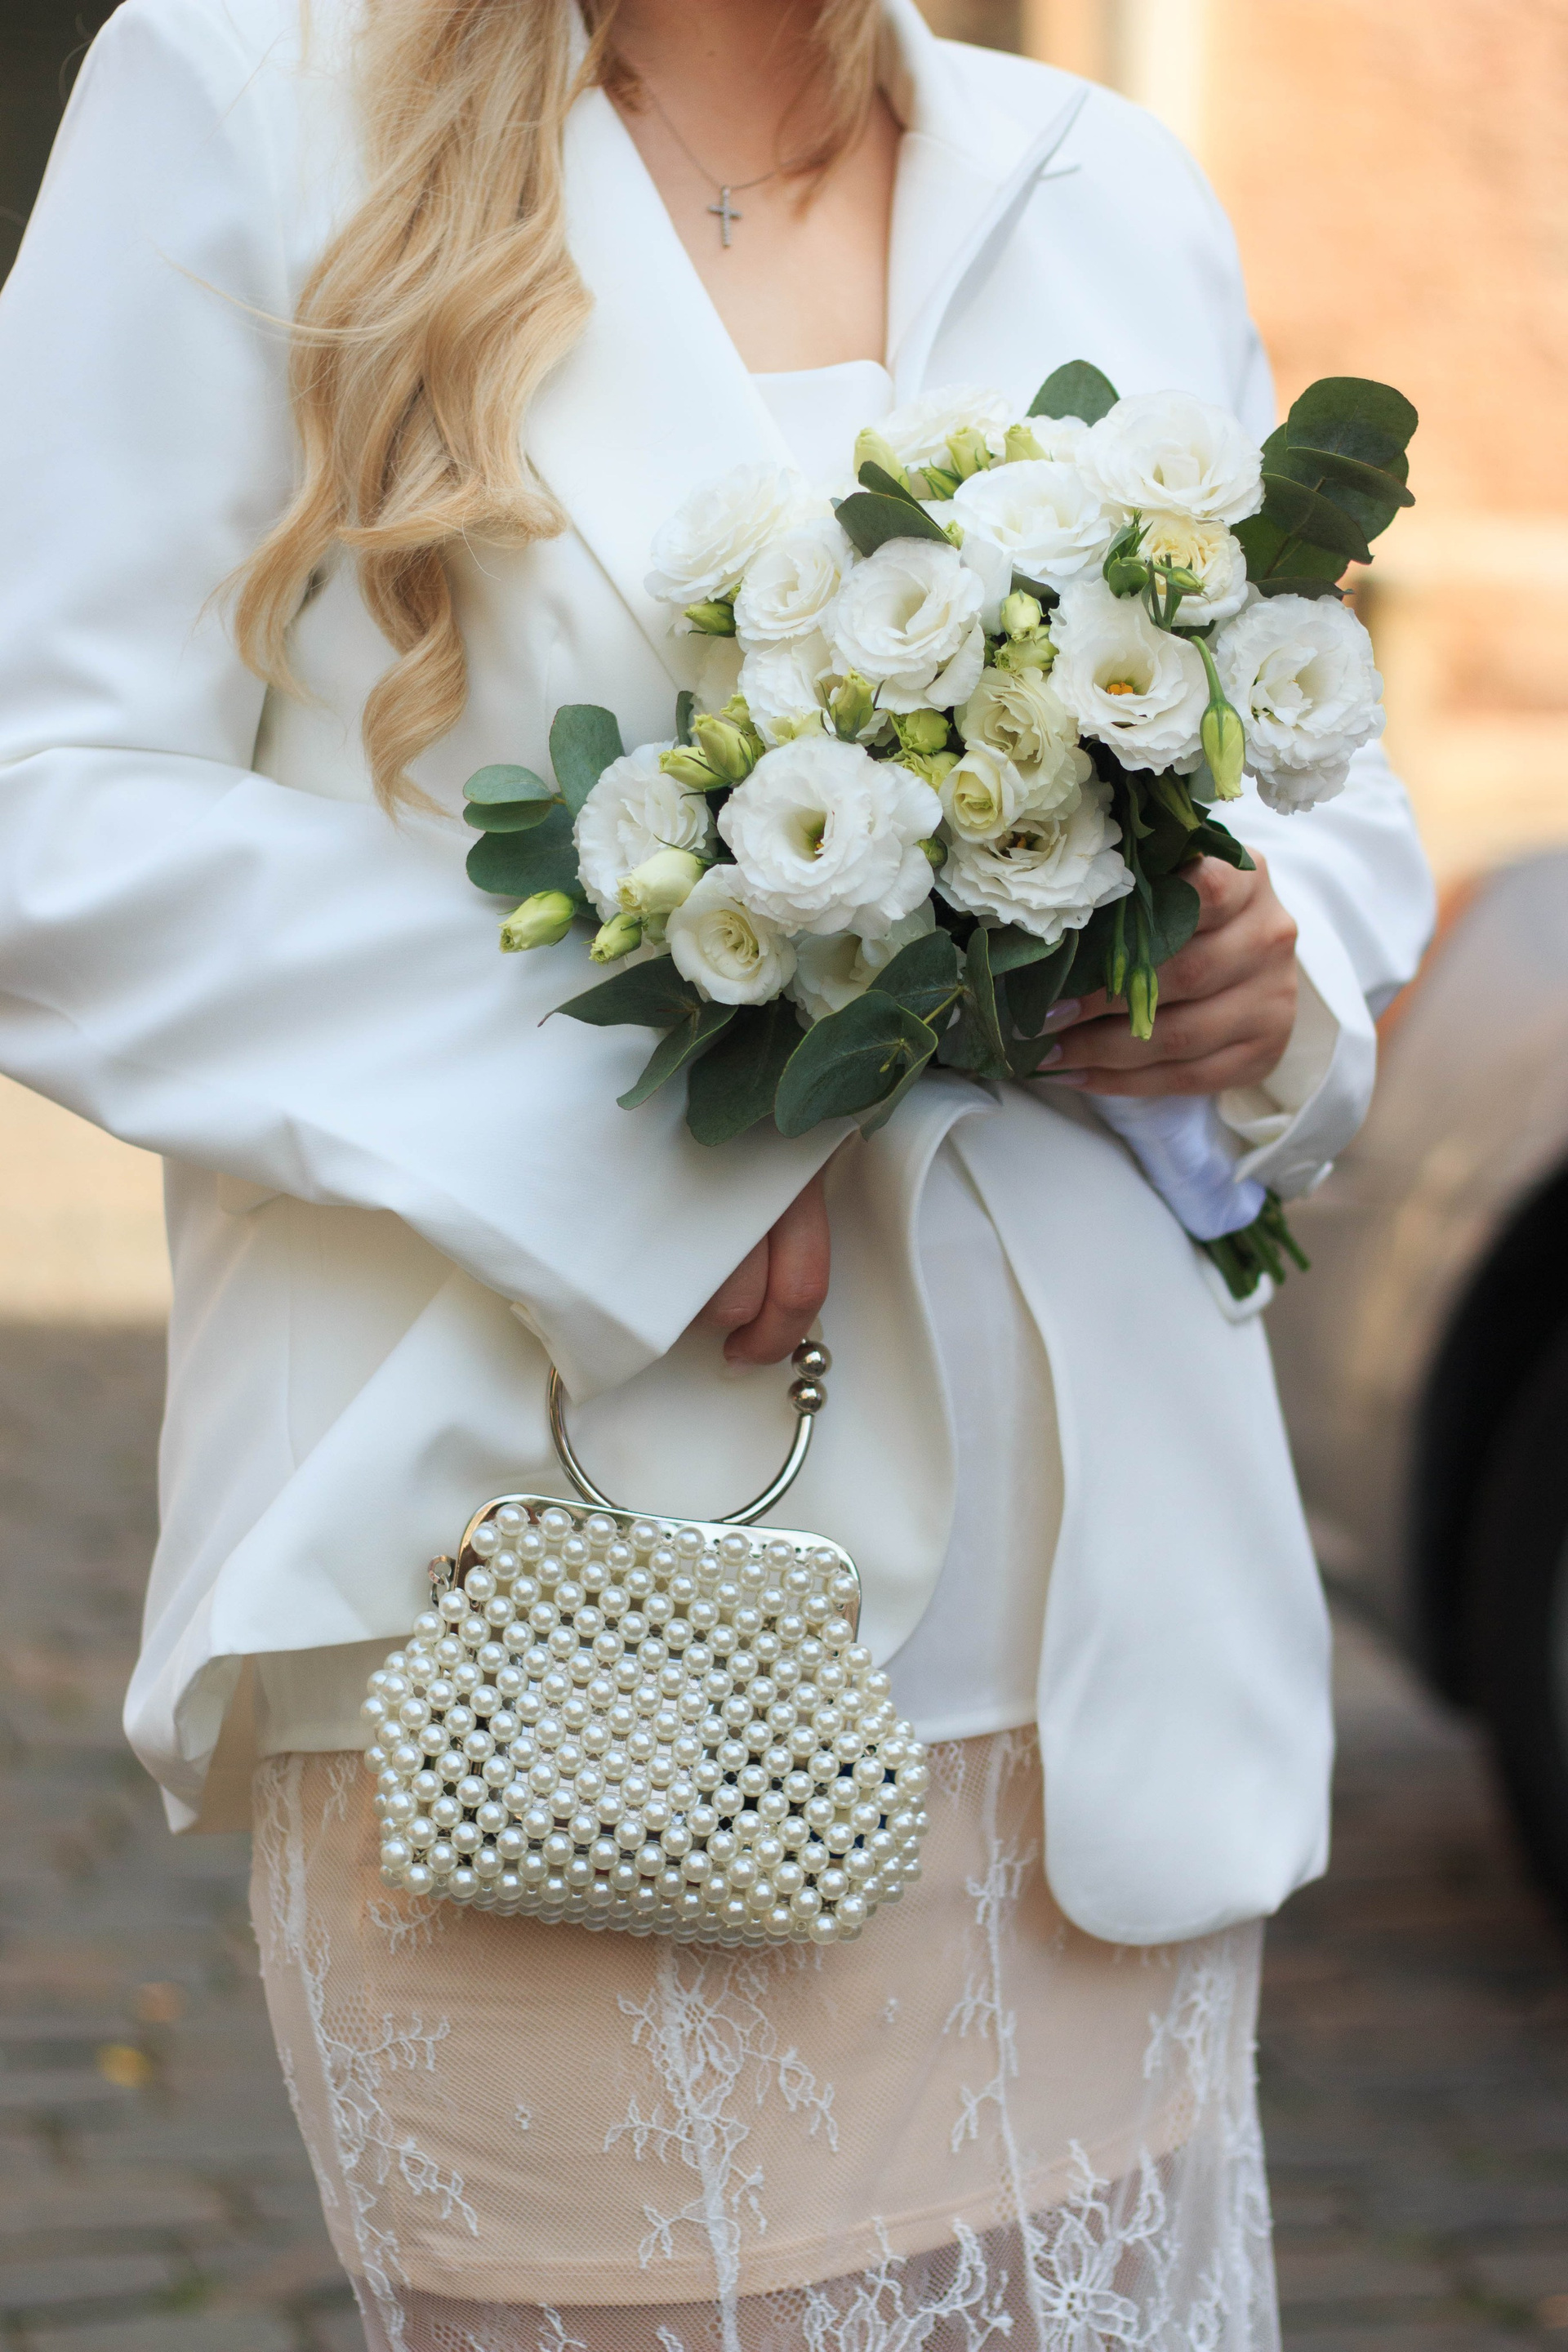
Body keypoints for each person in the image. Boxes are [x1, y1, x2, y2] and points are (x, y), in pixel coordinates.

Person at [0, 0, 1433, 2344]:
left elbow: (1321, 788)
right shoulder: (250, 103)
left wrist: (1277, 980)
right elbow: (39, 802)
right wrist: (654, 1123)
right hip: (573, 1661)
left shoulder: (1103, 176)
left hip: (1100, 1688)